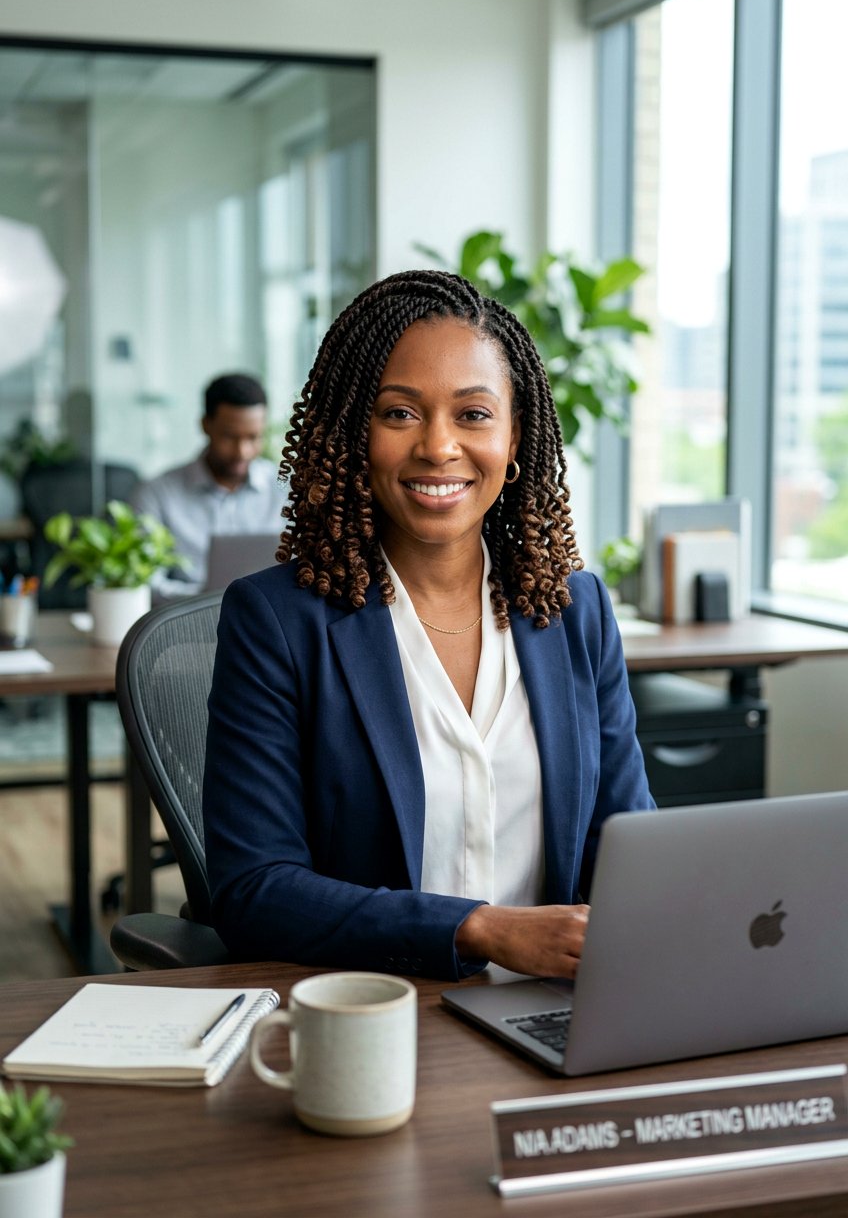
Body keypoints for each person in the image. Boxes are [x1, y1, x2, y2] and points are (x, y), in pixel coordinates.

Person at [202, 270, 654, 982]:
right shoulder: (278, 622)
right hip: (375, 1013)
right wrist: (479, 930)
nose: (439, 447)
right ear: (353, 432)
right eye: (399, 413)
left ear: (514, 439)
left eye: (473, 414)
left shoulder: (576, 612)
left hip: (558, 1012)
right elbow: (254, 888)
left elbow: (631, 847)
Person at [131, 372, 284, 599]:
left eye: (253, 437)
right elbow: (145, 584)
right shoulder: (156, 496)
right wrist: (205, 601)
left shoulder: (287, 489)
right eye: (230, 437)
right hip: (189, 623)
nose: (242, 451)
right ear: (205, 425)